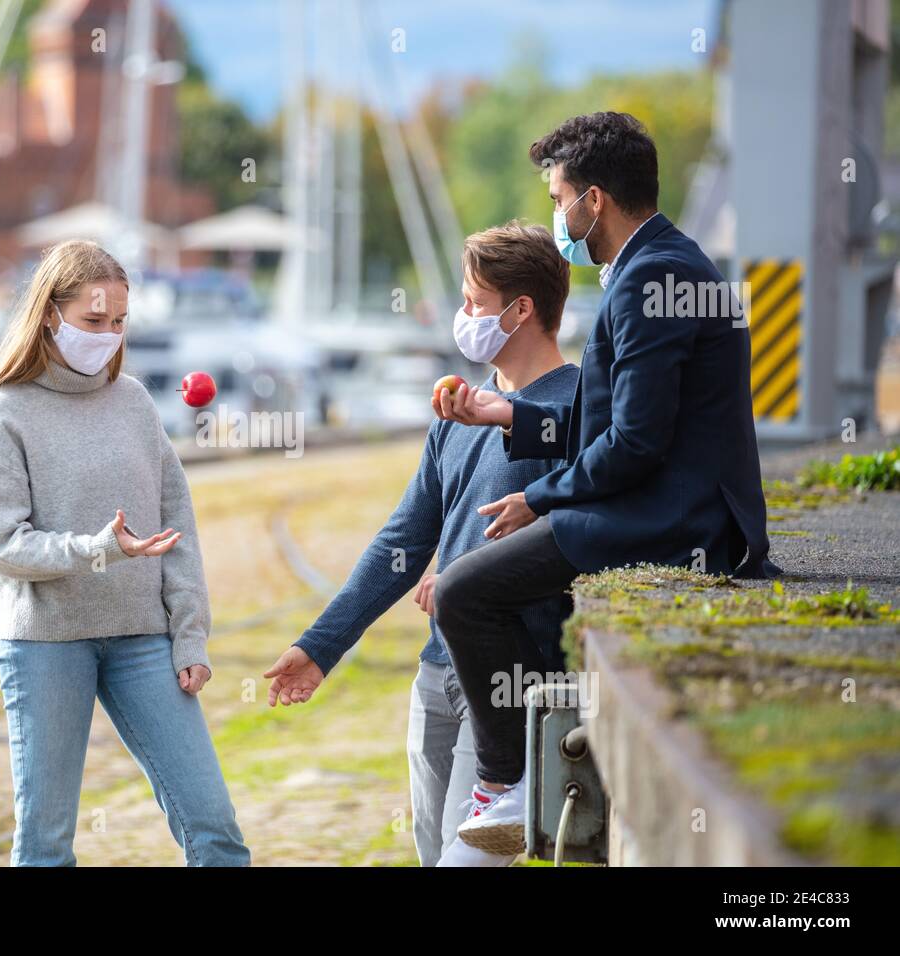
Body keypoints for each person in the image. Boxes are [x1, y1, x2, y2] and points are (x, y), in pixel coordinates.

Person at [432, 112, 779, 857]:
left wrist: (541, 497)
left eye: (559, 200)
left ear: (594, 200)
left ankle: (512, 777)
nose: (557, 216)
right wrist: (512, 417)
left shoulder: (652, 280)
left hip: (677, 519)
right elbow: (617, 425)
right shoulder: (659, 265)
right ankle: (539, 760)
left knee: (465, 591)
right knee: (501, 587)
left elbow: (636, 444)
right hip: (668, 500)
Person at [264, 222, 579, 866]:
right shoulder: (460, 414)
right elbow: (403, 540)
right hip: (435, 673)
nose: (462, 316)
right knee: (432, 852)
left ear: (521, 310)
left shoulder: (580, 410)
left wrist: (464, 571)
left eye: (473, 302)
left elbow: (581, 533)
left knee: (467, 862)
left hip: (511, 680)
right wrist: (321, 646)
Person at [0, 239, 250, 867]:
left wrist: (189, 636)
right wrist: (100, 549)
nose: (108, 335)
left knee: (215, 831)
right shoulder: (4, 412)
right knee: (47, 845)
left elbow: (176, 525)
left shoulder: (134, 402)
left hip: (143, 639)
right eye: (93, 321)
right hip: (45, 644)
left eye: (118, 323)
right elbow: (5, 546)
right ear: (50, 315)